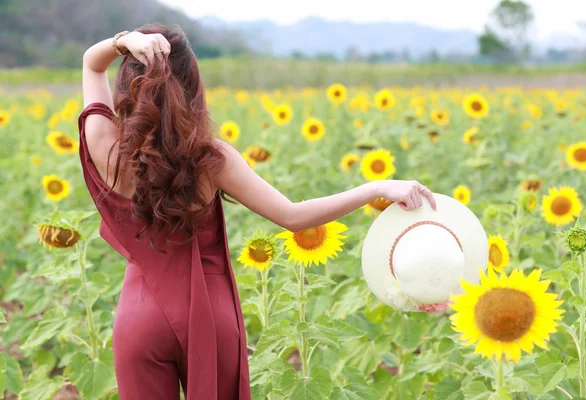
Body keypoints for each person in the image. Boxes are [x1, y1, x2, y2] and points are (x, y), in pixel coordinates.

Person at [78, 22, 436, 400]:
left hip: (138, 316)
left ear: (127, 83)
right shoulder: (210, 158)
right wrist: (376, 187)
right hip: (206, 316)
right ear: (191, 85)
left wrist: (123, 42)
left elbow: (90, 64)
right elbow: (293, 216)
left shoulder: (104, 143)